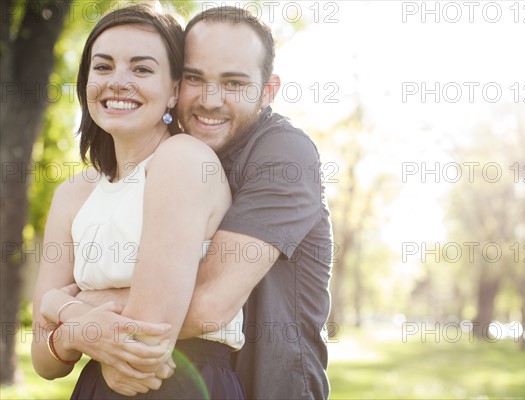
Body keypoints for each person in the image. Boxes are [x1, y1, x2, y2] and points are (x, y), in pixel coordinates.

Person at [56, 5, 333, 399]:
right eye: (194, 78)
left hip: (273, 388)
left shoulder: (284, 154)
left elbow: (206, 304)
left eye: (234, 83)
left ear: (267, 91)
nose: (210, 100)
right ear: (175, 84)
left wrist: (76, 309)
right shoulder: (178, 158)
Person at [30, 4, 244, 399]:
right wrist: (73, 329)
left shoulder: (183, 159)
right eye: (103, 66)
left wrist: (65, 310)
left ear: (175, 91)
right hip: (96, 386)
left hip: (181, 381)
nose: (118, 82)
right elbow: (43, 361)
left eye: (142, 69)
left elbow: (146, 336)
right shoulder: (73, 194)